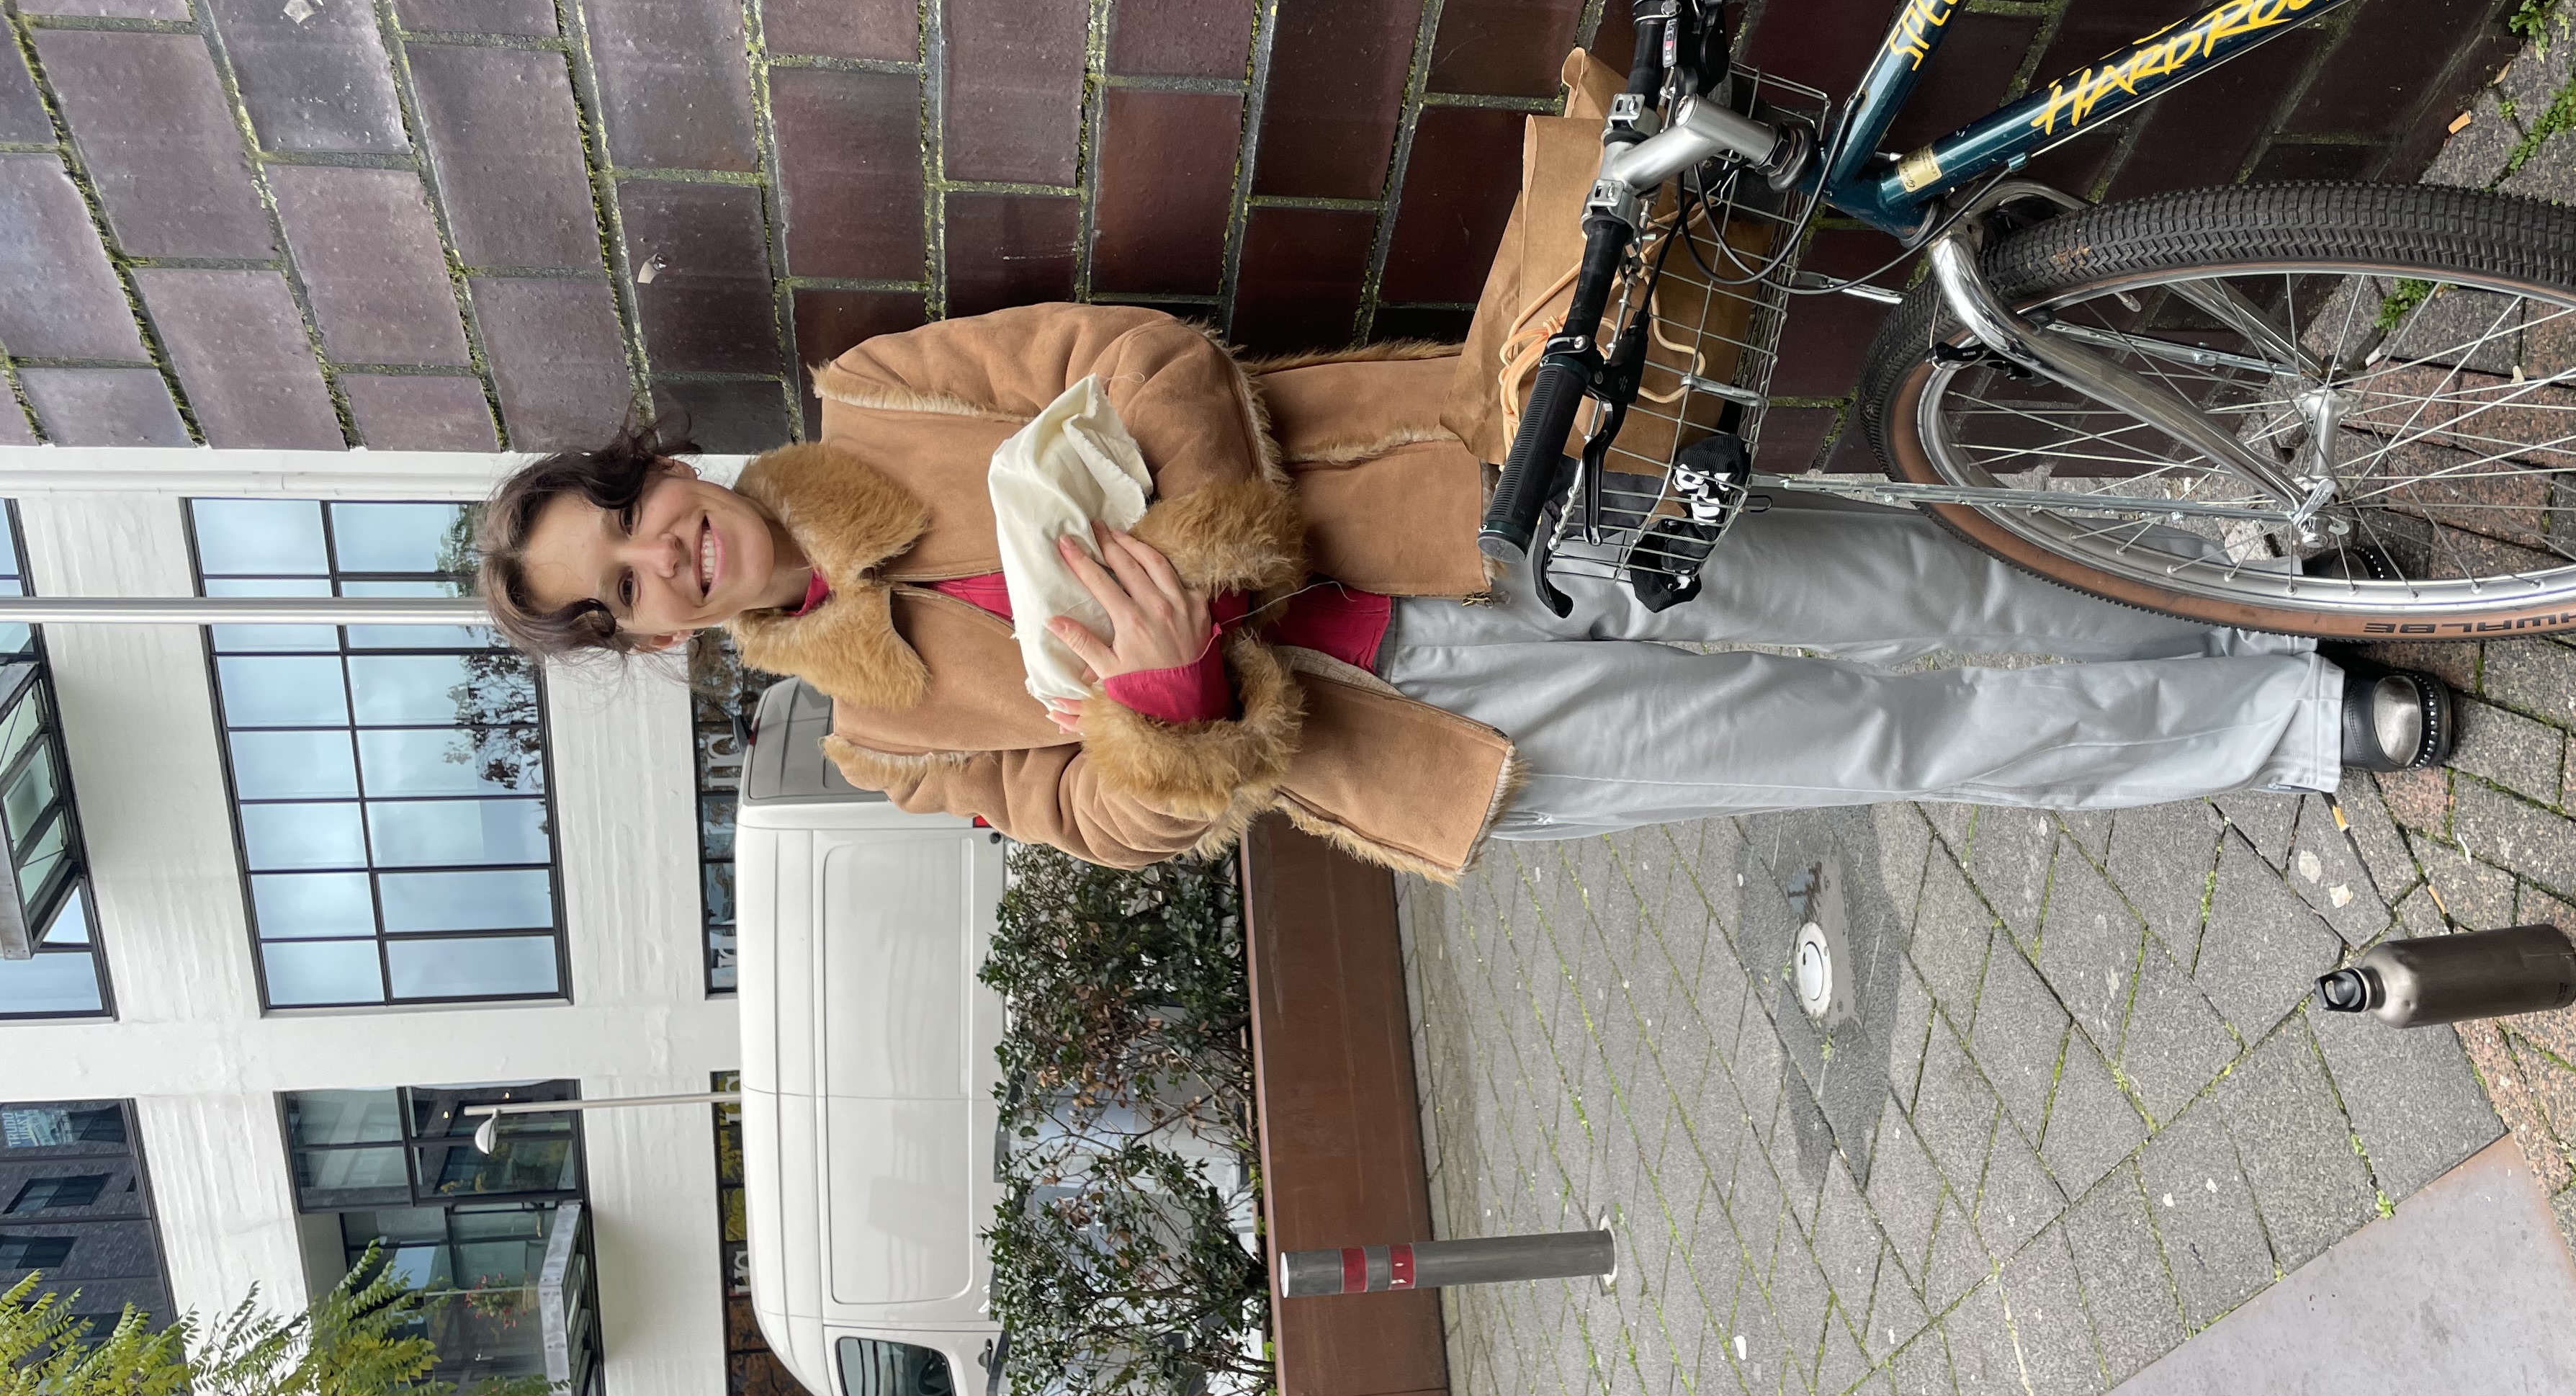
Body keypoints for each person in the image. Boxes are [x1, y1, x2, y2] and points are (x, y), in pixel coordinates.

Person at [475, 303, 2451, 882]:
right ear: (651, 642)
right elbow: (1094, 819)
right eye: (625, 596)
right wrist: (1163, 699)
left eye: (630, 518)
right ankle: (2288, 723)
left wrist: (1206, 562)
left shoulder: (875, 388)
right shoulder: (884, 739)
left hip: (1455, 511)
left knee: (1892, 567)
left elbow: (1154, 353)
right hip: (1426, 728)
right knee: (1878, 730)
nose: (663, 560)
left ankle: (2257, 588)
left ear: (657, 472)